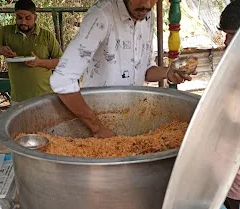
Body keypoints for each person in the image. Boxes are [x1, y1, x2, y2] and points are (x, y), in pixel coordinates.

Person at [50, 0, 196, 138]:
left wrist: (167, 73)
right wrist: (97, 127)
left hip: (135, 118)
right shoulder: (101, 16)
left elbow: (144, 69)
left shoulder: (147, 15)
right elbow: (62, 80)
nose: (146, 4)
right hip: (96, 121)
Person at [219, 0, 240, 209]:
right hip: (227, 166)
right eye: (225, 34)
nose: (225, 41)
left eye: (232, 35)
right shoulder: (235, 61)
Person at [0, 0, 62, 102]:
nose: (23, 22)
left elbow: (60, 62)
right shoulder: (6, 32)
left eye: (28, 18)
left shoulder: (46, 36)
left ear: (35, 17)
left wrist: (39, 62)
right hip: (18, 99)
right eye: (19, 18)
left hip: (44, 97)